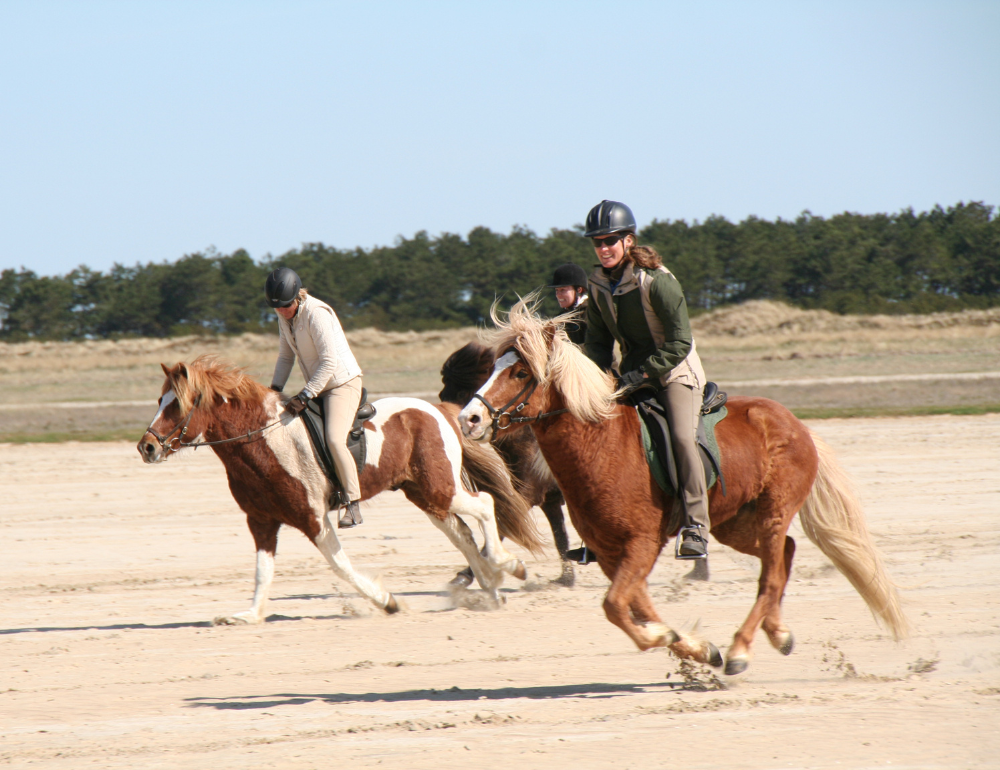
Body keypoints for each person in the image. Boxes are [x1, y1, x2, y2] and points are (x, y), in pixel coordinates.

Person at [582, 200, 710, 559]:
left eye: (610, 240)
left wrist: (641, 372)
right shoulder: (596, 285)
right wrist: (593, 377)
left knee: (683, 438)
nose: (603, 248)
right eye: (597, 242)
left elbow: (680, 342)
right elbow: (597, 342)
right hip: (630, 376)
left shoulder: (657, 281)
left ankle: (696, 527)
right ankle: (600, 530)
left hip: (674, 371)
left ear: (628, 240)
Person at [265, 267, 365, 528]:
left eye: (286, 305)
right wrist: (274, 390)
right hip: (319, 385)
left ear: (297, 296)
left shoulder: (317, 314)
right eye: (277, 307)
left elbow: (330, 362)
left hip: (342, 384)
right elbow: (286, 356)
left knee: (333, 438)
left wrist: (306, 394)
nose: (282, 310)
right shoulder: (283, 317)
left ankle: (352, 504)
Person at [549, 263, 589, 345]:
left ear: (579, 290)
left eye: (563, 290)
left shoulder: (591, 312)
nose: (558, 295)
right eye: (557, 290)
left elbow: (595, 346)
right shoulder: (559, 318)